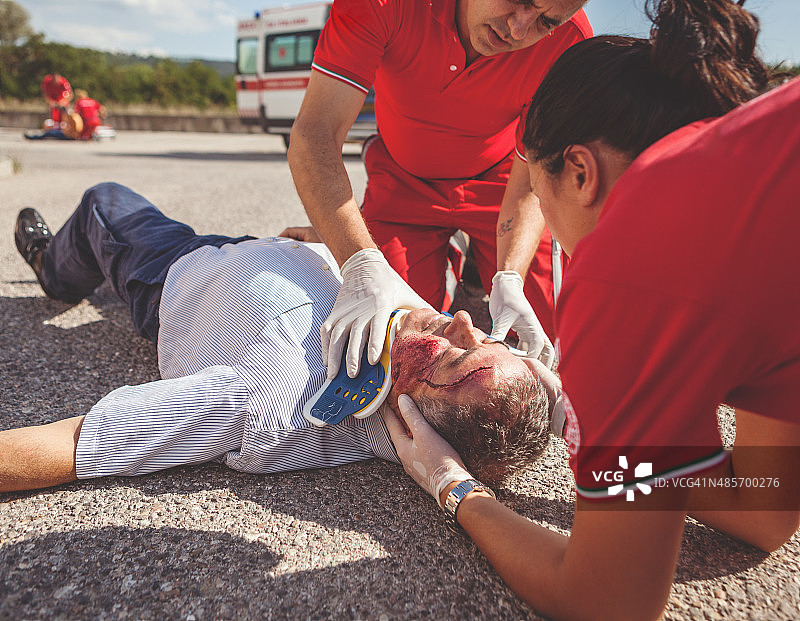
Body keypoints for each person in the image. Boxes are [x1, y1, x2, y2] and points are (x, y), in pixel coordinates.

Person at [382, 1, 800, 619]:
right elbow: (763, 505)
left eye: (537, 197)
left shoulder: (627, 266)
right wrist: (598, 434)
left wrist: (457, 489)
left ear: (580, 172)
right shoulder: (760, 150)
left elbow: (607, 601)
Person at [2, 182, 555, 494]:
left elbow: (80, 445)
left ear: (412, 423)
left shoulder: (271, 399)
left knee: (103, 203)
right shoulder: (408, 360)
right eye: (489, 338)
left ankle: (54, 269)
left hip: (175, 270)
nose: (463, 321)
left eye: (457, 355)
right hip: (271, 254)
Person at [285, 0, 592, 384]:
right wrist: (358, 259)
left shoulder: (570, 42)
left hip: (500, 181)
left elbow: (533, 171)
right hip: (404, 179)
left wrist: (511, 274)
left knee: (551, 333)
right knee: (390, 336)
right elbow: (314, 134)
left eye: (545, 21)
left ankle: (481, 263)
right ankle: (446, 254)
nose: (518, 30)